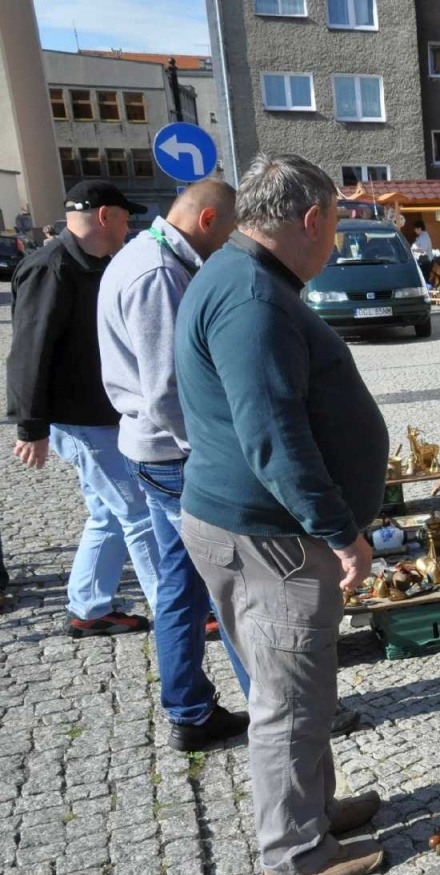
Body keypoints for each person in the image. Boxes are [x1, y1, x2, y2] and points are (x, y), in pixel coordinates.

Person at [175, 153, 388, 875]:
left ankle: (314, 810)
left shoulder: (242, 276)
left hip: (253, 528)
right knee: (289, 700)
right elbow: (273, 437)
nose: (334, 240)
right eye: (334, 224)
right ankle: (294, 851)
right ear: (310, 220)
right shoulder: (252, 300)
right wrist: (341, 532)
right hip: (270, 539)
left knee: (302, 686)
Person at [98, 179, 253, 751]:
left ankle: (190, 712)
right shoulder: (158, 272)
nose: (230, 242)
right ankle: (271, 709)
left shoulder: (145, 256)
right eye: (230, 230)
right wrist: (215, 454)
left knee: (181, 587)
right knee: (231, 584)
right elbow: (167, 391)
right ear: (208, 219)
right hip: (175, 457)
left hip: (155, 453)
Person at [7, 180, 160, 636]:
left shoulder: (95, 264)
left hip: (102, 414)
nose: (129, 225)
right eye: (125, 216)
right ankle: (179, 611)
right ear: (104, 215)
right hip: (79, 420)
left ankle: (89, 609)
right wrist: (29, 425)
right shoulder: (51, 267)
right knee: (137, 511)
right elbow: (28, 351)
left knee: (109, 513)